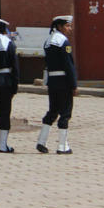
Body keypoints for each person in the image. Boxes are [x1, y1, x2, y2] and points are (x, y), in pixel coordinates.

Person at [37, 15, 78, 154]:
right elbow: (69, 65)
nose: (70, 29)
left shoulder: (48, 41)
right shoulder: (63, 42)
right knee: (65, 112)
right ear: (59, 27)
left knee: (53, 110)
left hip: (52, 81)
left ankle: (41, 141)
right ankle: (62, 146)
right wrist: (74, 84)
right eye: (67, 26)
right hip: (63, 81)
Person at [0, 18, 19, 152]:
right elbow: (15, 67)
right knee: (5, 112)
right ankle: (3, 144)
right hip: (6, 81)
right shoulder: (10, 43)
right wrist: (15, 86)